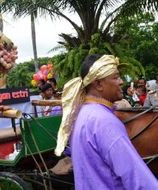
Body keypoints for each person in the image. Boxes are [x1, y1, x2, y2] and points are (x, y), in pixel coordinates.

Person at [55, 54, 158, 189]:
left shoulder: (83, 114)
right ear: (98, 84)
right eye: (116, 77)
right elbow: (137, 179)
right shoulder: (103, 121)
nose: (121, 81)